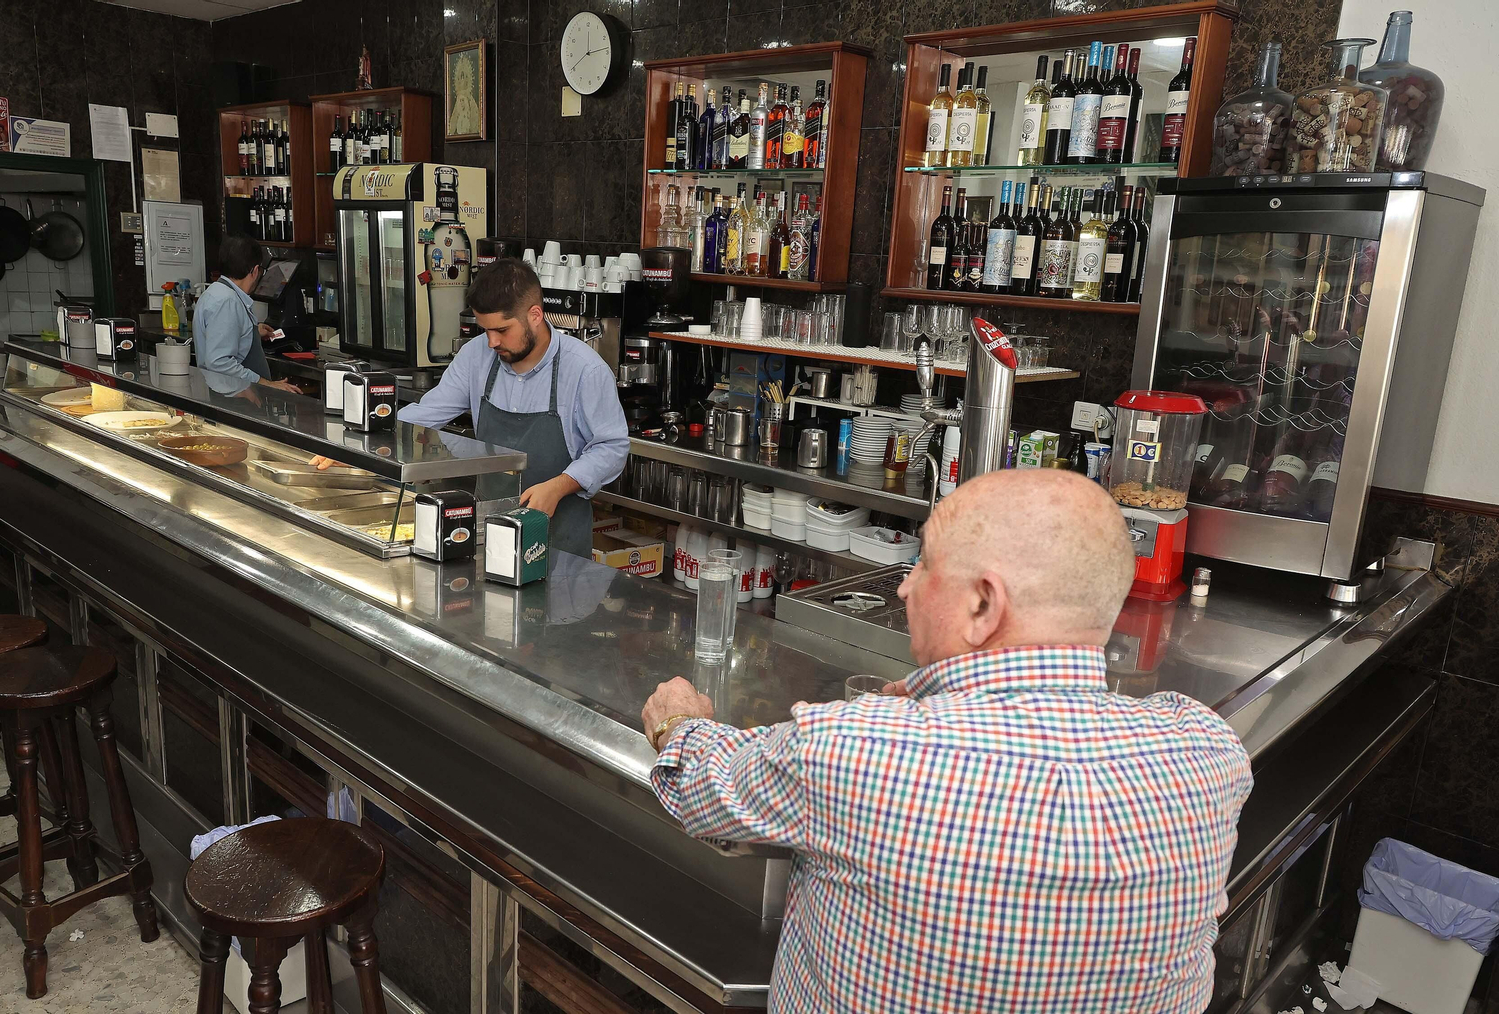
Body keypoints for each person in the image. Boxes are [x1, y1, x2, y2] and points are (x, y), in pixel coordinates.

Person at [641, 470, 1253, 1014]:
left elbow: (696, 785)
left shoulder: (857, 751)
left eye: (925, 563)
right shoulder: (1208, 750)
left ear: (984, 603)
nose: (905, 587)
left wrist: (678, 722)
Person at [319, 259, 627, 558]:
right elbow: (427, 414)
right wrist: (358, 445)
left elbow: (611, 448)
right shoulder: (476, 356)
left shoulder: (585, 370)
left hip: (558, 545)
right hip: (487, 536)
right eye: (485, 329)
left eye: (502, 330)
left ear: (535, 315)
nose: (491, 342)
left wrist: (559, 487)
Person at [192, 235, 300, 393]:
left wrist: (252, 331)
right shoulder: (227, 301)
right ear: (255, 271)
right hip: (235, 400)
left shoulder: (215, 292)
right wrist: (265, 383)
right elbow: (219, 362)